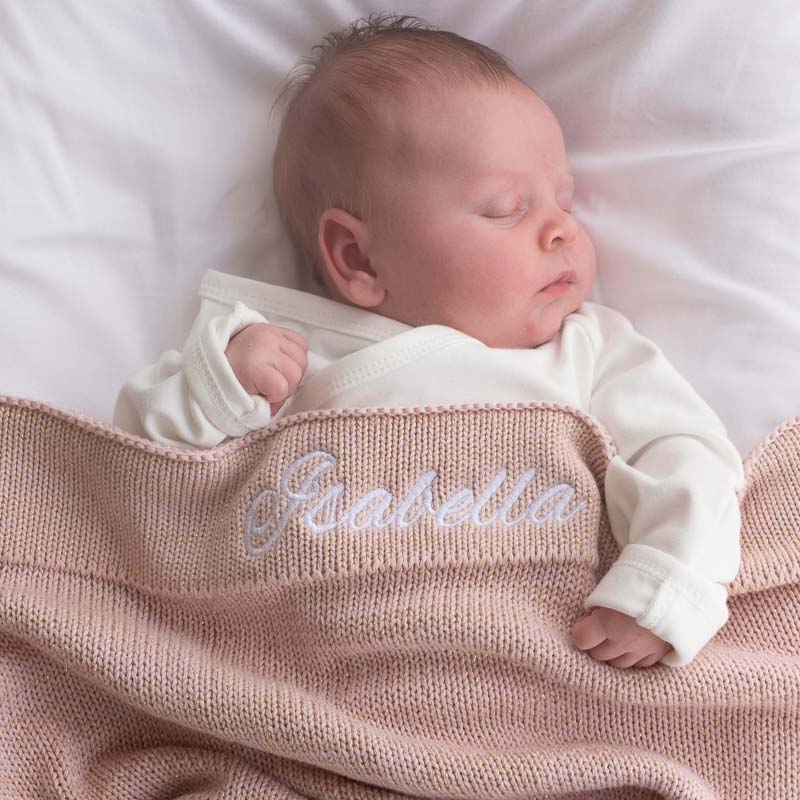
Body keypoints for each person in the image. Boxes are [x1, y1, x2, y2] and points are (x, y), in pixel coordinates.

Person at [113, 13, 744, 671]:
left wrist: (665, 581)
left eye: (565, 200)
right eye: (507, 208)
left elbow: (689, 452)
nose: (561, 231)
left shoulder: (591, 352)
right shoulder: (284, 354)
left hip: (538, 663)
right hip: (314, 676)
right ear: (358, 258)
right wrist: (219, 385)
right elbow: (139, 471)